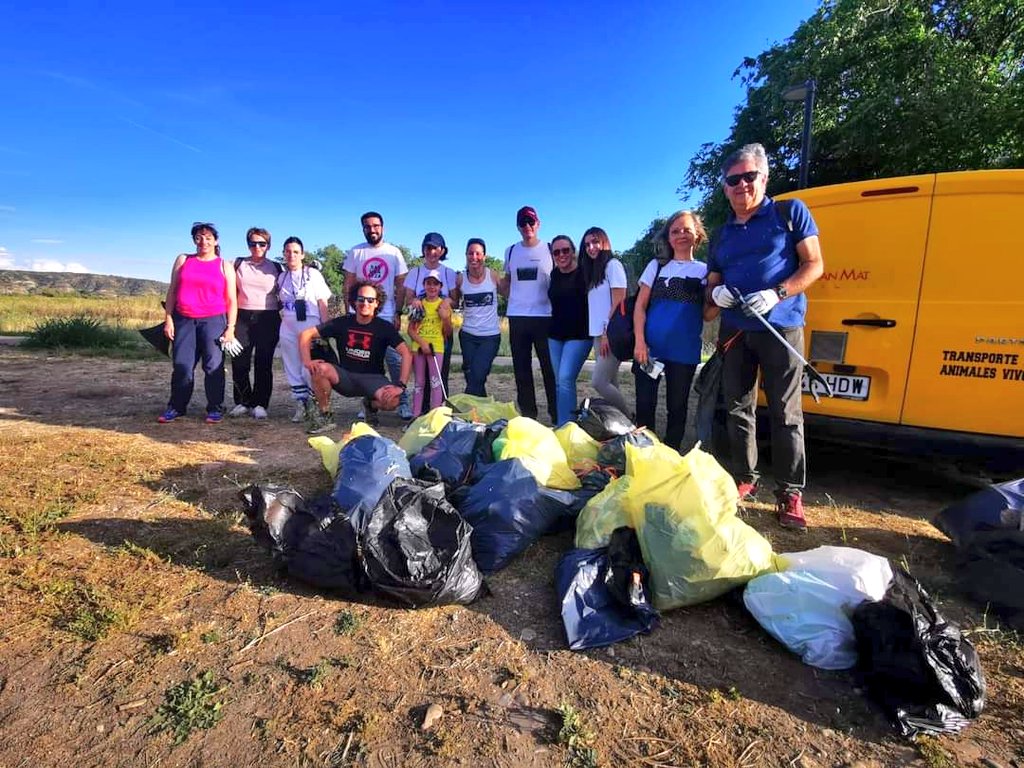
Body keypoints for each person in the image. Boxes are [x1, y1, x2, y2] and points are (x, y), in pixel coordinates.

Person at [706, 142, 824, 531]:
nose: (742, 185)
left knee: (785, 412)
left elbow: (814, 264)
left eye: (749, 176)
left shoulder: (790, 213)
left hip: (781, 327)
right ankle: (745, 478)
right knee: (737, 406)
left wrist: (778, 292)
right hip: (736, 330)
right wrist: (716, 294)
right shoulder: (722, 234)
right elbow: (712, 281)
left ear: (765, 177)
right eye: (733, 180)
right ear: (725, 188)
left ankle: (790, 492)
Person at [633, 211, 714, 452]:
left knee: (677, 409)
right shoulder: (656, 267)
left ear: (697, 235)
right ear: (668, 237)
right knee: (644, 405)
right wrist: (639, 341)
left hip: (684, 352)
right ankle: (644, 454)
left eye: (687, 230)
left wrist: (722, 300)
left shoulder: (705, 271)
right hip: (650, 349)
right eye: (675, 231)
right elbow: (640, 306)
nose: (681, 235)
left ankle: (670, 455)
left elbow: (708, 315)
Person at [300, 281, 413, 433]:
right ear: (354, 301)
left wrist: (401, 386)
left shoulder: (384, 327)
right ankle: (325, 415)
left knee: (393, 401)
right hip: (345, 377)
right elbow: (305, 335)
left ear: (377, 303)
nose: (365, 303)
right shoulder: (342, 322)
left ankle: (370, 406)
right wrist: (307, 361)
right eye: (361, 299)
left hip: (373, 379)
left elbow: (406, 353)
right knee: (319, 369)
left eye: (370, 300)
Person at [157, 222, 238, 424]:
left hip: (214, 320)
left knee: (213, 366)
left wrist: (230, 328)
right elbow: (172, 291)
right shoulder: (183, 260)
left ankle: (215, 408)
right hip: (184, 320)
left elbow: (232, 299)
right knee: (182, 366)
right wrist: (168, 319)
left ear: (216, 241)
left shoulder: (224, 265)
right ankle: (176, 406)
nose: (204, 242)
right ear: (194, 240)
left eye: (208, 238)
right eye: (199, 237)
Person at [343, 211, 412, 420]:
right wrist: (349, 311)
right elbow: (348, 283)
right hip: (361, 314)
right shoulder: (356, 252)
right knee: (365, 361)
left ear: (382, 227)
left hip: (386, 314)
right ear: (363, 229)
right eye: (367, 226)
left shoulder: (393, 252)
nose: (372, 230)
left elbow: (401, 285)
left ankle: (403, 400)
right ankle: (368, 403)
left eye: (376, 226)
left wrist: (398, 311)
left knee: (394, 360)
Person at [499, 205, 557, 421]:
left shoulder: (550, 249)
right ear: (518, 227)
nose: (527, 226)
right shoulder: (511, 251)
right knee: (521, 370)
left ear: (538, 224)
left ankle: (556, 414)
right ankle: (529, 415)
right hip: (517, 317)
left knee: (549, 369)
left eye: (531, 222)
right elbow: (507, 282)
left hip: (545, 317)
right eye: (522, 223)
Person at [276, 237, 332, 422]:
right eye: (287, 251)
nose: (291, 255)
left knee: (309, 365)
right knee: (292, 365)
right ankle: (301, 403)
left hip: (310, 324)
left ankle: (315, 402)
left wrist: (325, 329)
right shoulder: (282, 277)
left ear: (302, 254)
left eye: (295, 252)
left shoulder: (312, 274)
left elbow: (322, 302)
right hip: (288, 325)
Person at [229, 227, 282, 420]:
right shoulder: (237, 264)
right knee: (239, 361)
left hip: (268, 317)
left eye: (262, 243)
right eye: (253, 243)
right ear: (248, 244)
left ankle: (260, 403)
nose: (257, 247)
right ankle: (243, 401)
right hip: (242, 316)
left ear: (268, 246)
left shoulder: (276, 267)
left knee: (263, 362)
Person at [405, 232, 460, 404]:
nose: (431, 252)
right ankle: (421, 410)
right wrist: (414, 300)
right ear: (423, 250)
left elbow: (455, 300)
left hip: (441, 331)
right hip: (421, 331)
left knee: (439, 376)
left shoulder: (448, 273)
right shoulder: (415, 272)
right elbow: (408, 298)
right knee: (421, 378)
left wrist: (447, 302)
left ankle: (440, 410)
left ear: (442, 250)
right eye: (428, 248)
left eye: (435, 248)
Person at [581, 227, 631, 417]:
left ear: (605, 242)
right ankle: (620, 424)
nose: (591, 247)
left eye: (595, 242)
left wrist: (606, 334)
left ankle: (629, 420)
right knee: (611, 382)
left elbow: (619, 303)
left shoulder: (613, 265)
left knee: (599, 382)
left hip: (610, 333)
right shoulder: (596, 271)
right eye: (587, 244)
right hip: (598, 334)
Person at [546, 235, 592, 426]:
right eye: (556, 252)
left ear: (573, 251)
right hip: (555, 335)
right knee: (560, 382)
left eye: (565, 250)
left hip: (579, 335)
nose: (561, 255)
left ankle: (566, 426)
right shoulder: (554, 275)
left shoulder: (586, 274)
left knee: (565, 378)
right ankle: (563, 423)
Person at [458, 238, 501, 397]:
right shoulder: (460, 279)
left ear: (484, 256)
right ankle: (480, 408)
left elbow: (511, 294)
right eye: (470, 253)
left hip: (490, 336)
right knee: (472, 376)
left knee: (478, 373)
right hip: (468, 335)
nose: (474, 257)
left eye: (478, 253)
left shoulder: (493, 276)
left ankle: (465, 404)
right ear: (466, 255)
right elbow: (453, 300)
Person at [408, 270, 453, 415]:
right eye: (429, 283)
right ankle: (416, 415)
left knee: (435, 383)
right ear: (424, 285)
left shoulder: (443, 306)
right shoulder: (418, 305)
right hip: (419, 347)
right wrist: (422, 343)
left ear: (440, 287)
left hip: (437, 347)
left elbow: (448, 332)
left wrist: (445, 318)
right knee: (419, 383)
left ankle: (434, 416)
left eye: (435, 284)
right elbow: (410, 330)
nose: (432, 287)